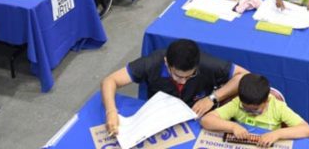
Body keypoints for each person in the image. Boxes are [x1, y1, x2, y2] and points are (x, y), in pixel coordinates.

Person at [101, 39, 248, 134]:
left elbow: (244, 77)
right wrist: (111, 112)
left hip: (197, 119)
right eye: (178, 76)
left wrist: (213, 97)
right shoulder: (152, 63)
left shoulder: (207, 63)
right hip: (160, 118)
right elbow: (109, 81)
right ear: (166, 62)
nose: (183, 81)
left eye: (190, 76)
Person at [200, 73, 309, 147]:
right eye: (245, 108)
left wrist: (277, 134)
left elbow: (307, 130)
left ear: (266, 101)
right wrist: (233, 126)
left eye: (255, 109)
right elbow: (206, 120)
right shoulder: (237, 103)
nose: (250, 112)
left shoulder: (278, 107)